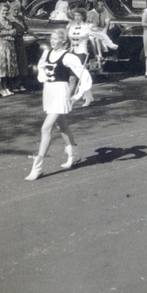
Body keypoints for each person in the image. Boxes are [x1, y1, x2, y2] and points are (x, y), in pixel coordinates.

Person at [24, 29, 93, 180]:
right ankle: (74, 154)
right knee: (61, 125)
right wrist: (44, 78)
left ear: (63, 41)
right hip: (49, 92)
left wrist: (78, 95)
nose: (52, 41)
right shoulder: (47, 53)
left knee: (46, 127)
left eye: (56, 38)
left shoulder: (68, 56)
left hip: (60, 92)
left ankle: (37, 166)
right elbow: (42, 67)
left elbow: (84, 75)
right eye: (51, 38)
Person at [0, 2, 19, 97]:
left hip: (9, 45)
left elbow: (10, 31)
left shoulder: (8, 20)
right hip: (1, 46)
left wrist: (13, 32)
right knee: (1, 67)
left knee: (7, 67)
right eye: (3, 10)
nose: (5, 12)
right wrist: (9, 33)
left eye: (7, 10)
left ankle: (5, 87)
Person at [9, 1, 29, 92]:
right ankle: (13, 84)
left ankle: (20, 83)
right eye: (14, 10)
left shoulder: (20, 18)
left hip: (20, 41)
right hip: (13, 42)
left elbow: (27, 29)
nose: (16, 12)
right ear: (11, 10)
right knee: (14, 62)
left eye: (18, 10)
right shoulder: (9, 19)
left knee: (22, 62)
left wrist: (37, 36)